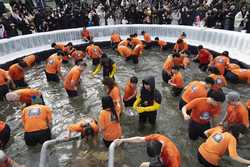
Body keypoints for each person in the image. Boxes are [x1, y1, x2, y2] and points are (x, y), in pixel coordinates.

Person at [114, 134, 181, 167]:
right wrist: (122, 140)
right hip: (163, 159)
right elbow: (139, 139)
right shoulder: (156, 137)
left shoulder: (172, 156)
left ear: (160, 152)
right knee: (143, 165)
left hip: (169, 164)